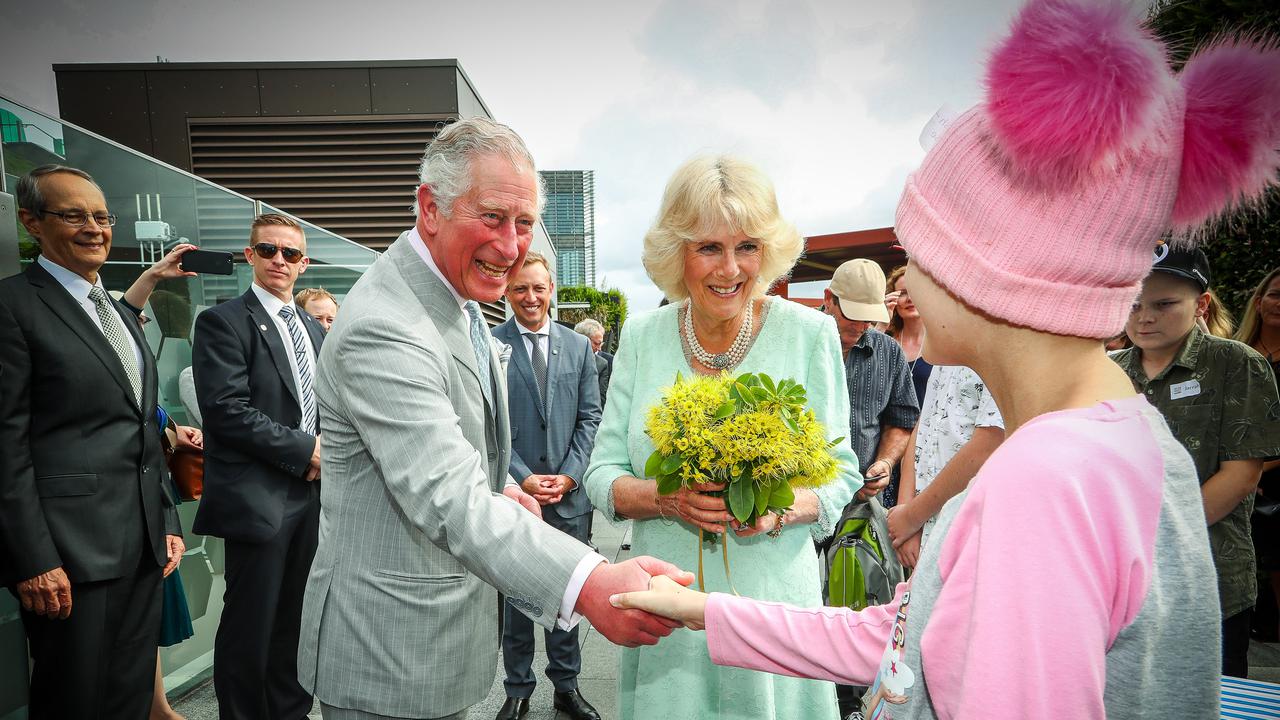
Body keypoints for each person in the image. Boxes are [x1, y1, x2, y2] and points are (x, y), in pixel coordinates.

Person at [613, 1, 1274, 715]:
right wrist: (707, 612)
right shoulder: (1121, 440)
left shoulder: (1039, 486)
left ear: (985, 270)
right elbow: (904, 637)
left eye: (918, 254)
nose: (907, 284)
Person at [296, 117, 688, 720]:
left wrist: (501, 485)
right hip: (389, 655)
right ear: (430, 208)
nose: (510, 245)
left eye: (524, 222)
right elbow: (446, 494)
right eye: (492, 218)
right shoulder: (386, 325)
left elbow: (448, 446)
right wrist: (590, 583)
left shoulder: (453, 290)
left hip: (430, 643)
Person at [582, 154, 861, 720]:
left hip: (776, 603)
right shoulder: (641, 337)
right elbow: (601, 475)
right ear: (676, 252)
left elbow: (842, 474)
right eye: (708, 247)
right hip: (670, 605)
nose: (730, 269)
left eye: (748, 247)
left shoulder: (810, 334)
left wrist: (777, 511)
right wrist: (666, 498)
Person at [0, 164, 184, 719]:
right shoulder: (12, 306)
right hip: (68, 557)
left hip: (141, 547)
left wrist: (167, 521)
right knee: (74, 701)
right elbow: (5, 445)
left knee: (128, 696)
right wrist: (32, 558)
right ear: (31, 221)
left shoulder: (119, 313)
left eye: (101, 216)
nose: (93, 228)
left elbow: (140, 427)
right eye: (73, 215)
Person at [1112, 247, 1280, 677]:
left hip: (1207, 581)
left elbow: (1241, 477)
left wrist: (1149, 537)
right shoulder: (1107, 369)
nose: (1144, 317)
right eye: (1132, 304)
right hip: (1118, 583)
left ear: (1201, 303)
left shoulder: (1238, 364)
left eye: (1164, 304)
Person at [192, 213, 326, 719]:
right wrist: (305, 450)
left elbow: (328, 405)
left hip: (313, 498)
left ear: (303, 262)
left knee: (297, 621)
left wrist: (324, 451)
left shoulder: (313, 327)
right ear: (249, 256)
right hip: (259, 498)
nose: (279, 261)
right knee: (251, 628)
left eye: (290, 254)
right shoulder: (223, 321)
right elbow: (226, 410)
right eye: (268, 250)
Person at [492, 252, 603, 720]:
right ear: (507, 293)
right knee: (515, 600)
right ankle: (517, 688)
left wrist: (571, 475)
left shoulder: (578, 348)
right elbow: (488, 423)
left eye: (538, 288)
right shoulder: (489, 344)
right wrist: (522, 477)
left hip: (569, 498)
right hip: (517, 499)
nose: (530, 297)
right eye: (520, 289)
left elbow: (591, 418)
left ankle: (566, 687)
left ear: (551, 289)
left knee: (567, 596)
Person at [885, 365, 1004, 569]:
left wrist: (912, 517)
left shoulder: (998, 353)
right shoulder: (947, 354)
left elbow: (987, 445)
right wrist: (906, 518)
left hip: (965, 535)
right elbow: (924, 426)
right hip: (923, 527)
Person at [823, 259, 919, 507]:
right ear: (828, 298)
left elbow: (901, 420)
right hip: (796, 498)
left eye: (868, 318)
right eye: (852, 315)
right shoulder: (796, 340)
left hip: (859, 500)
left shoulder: (889, 352)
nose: (860, 326)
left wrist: (885, 461)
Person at [1237, 268, 1280, 640]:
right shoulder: (1235, 352)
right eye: (1276, 294)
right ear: (1259, 301)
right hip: (1238, 471)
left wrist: (1257, 472)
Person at [884, 264, 931, 405]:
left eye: (915, 290)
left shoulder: (941, 344)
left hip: (928, 425)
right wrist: (882, 321)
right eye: (902, 293)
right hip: (889, 425)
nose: (909, 298)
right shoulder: (885, 341)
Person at [575, 317, 612, 407]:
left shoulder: (602, 364)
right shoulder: (562, 358)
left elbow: (601, 398)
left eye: (601, 344)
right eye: (596, 343)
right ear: (582, 339)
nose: (599, 348)